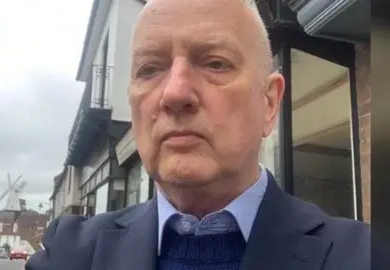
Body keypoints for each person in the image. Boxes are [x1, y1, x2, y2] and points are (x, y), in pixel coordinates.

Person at [26, 0, 370, 269]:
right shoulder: (69, 254)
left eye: (215, 63)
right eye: (150, 68)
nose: (174, 93)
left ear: (269, 103)